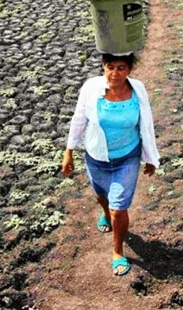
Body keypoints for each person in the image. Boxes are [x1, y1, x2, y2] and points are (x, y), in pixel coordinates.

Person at [61, 53, 160, 276]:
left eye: (121, 68)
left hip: (128, 157)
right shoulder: (91, 88)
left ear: (130, 70)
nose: (115, 73)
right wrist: (69, 151)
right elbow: (79, 119)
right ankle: (104, 212)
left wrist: (150, 158)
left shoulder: (137, 90)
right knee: (101, 196)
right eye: (110, 67)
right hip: (96, 157)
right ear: (103, 67)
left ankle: (117, 251)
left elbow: (146, 124)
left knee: (119, 208)